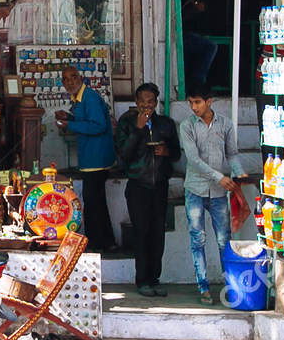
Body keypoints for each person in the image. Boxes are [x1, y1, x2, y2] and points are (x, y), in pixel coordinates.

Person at [178, 83, 247, 304]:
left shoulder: (225, 124)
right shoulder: (187, 126)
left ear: (209, 101)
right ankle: (203, 286)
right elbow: (193, 160)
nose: (193, 107)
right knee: (198, 239)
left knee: (223, 240)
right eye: (190, 102)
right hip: (195, 189)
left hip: (219, 192)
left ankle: (231, 286)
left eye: (197, 102)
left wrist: (240, 174)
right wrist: (220, 177)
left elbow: (232, 154)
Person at [113, 83, 180, 297]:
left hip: (159, 185)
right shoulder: (126, 122)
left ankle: (154, 278)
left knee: (157, 234)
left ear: (156, 102)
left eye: (150, 102)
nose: (146, 106)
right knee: (141, 233)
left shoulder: (166, 124)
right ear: (136, 101)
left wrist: (166, 151)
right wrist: (138, 129)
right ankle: (142, 280)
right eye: (142, 101)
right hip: (137, 185)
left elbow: (177, 153)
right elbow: (123, 154)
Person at [54, 65, 117, 254]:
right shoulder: (78, 99)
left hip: (96, 158)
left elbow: (98, 126)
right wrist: (69, 118)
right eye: (66, 79)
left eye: (73, 77)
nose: (70, 81)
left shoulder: (89, 97)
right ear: (63, 83)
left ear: (80, 78)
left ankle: (100, 243)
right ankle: (104, 242)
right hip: (90, 158)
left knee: (94, 202)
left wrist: (70, 124)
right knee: (95, 201)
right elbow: (87, 120)